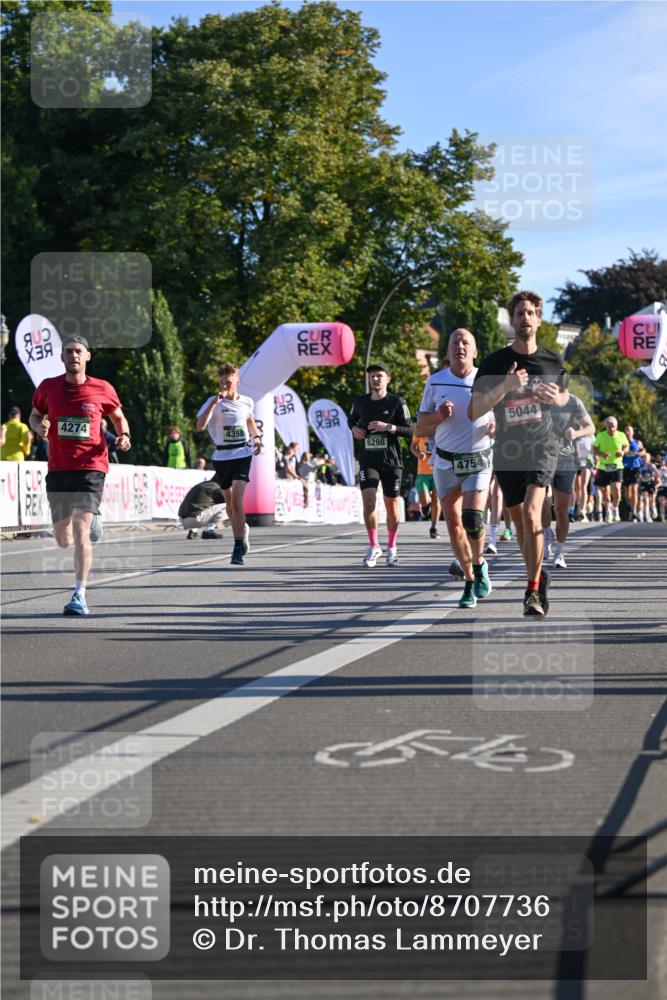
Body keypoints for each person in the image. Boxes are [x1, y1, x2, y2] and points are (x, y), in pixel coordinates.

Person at [469, 290, 569, 617]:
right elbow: (473, 410)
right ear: (512, 321)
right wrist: (505, 386)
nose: (524, 318)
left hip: (543, 445)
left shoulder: (553, 361)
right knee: (522, 526)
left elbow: (564, 399)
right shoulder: (494, 363)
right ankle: (539, 576)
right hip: (508, 451)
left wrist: (557, 399)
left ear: (538, 320)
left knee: (531, 512)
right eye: (519, 313)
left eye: (530, 313)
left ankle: (532, 591)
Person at [28, 335, 131, 616]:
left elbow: (118, 417)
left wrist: (124, 435)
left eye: (78, 351)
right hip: (59, 468)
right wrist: (38, 427)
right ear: (61, 357)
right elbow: (34, 415)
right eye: (69, 351)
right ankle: (93, 518)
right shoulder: (48, 387)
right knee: (63, 538)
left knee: (80, 528)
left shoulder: (102, 388)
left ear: (87, 356)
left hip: (91, 466)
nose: (73, 355)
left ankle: (79, 594)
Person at [416, 329, 494, 608]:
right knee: (454, 525)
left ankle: (477, 569)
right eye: (455, 343)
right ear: (448, 351)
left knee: (472, 518)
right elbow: (420, 424)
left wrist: (498, 425)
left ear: (474, 351)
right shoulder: (435, 381)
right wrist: (438, 416)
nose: (460, 346)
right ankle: (472, 576)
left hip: (478, 459)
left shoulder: (486, 381)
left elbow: (505, 414)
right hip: (445, 460)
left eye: (465, 343)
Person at [348, 363, 412, 567]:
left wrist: (389, 427)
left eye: (379, 376)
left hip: (391, 461)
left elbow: (410, 430)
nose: (375, 379)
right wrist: (354, 429)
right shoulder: (360, 402)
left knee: (392, 505)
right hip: (368, 460)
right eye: (372, 376)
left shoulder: (397, 402)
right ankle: (374, 546)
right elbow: (351, 421)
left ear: (388, 379)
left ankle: (392, 547)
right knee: (368, 500)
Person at [196, 362, 260, 565]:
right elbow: (200, 425)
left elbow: (249, 420)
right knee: (230, 504)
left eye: (228, 382)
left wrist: (256, 437)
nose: (224, 386)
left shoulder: (247, 401)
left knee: (237, 502)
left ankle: (237, 548)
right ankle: (242, 532)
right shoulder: (213, 401)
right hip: (222, 456)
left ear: (237, 382)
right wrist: (213, 404)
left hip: (242, 454)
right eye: (221, 382)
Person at [542, 393, 595, 568]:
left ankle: (559, 552)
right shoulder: (536, 398)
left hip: (565, 460)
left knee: (561, 509)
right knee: (542, 503)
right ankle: (546, 533)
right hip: (541, 460)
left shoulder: (573, 401)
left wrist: (577, 433)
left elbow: (591, 427)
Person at [593, 417, 628, 523]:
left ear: (616, 426)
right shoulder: (600, 436)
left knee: (616, 489)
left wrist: (623, 452)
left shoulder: (621, 435)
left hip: (617, 466)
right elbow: (594, 449)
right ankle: (608, 511)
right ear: (606, 426)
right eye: (609, 426)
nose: (611, 429)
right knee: (605, 493)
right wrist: (602, 454)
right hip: (604, 467)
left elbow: (626, 446)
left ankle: (615, 509)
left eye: (613, 426)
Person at [410, 434, 440, 538]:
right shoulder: (420, 430)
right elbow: (412, 446)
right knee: (425, 501)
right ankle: (425, 505)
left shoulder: (441, 429)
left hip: (438, 470)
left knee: (436, 499)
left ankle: (434, 527)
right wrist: (418, 454)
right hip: (422, 472)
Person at [622, 425, 644, 521]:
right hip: (626, 468)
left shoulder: (637, 442)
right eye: (626, 430)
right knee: (627, 492)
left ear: (633, 432)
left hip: (636, 468)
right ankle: (631, 508)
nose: (627, 432)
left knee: (634, 489)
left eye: (629, 430)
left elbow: (643, 451)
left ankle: (634, 511)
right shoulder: (622, 443)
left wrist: (639, 453)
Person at [638, 453, 659, 522]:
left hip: (651, 483)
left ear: (649, 458)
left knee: (652, 500)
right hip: (644, 483)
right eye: (644, 457)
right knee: (645, 500)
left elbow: (657, 474)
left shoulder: (652, 465)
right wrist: (640, 479)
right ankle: (647, 516)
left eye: (646, 457)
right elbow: (639, 475)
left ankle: (653, 508)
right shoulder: (641, 466)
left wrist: (654, 476)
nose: (645, 458)